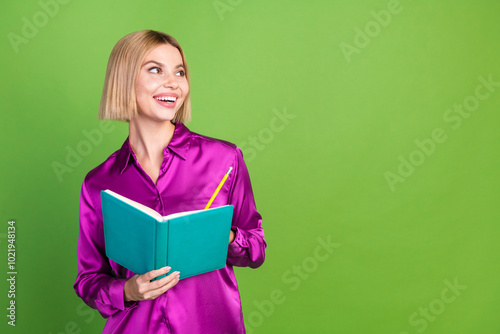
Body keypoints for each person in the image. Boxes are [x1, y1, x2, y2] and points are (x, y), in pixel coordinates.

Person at [73, 30, 266, 334]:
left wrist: (223, 236)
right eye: (155, 70)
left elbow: (256, 247)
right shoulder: (99, 183)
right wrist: (128, 290)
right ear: (124, 80)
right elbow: (88, 280)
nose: (173, 83)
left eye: (179, 72)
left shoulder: (224, 160)